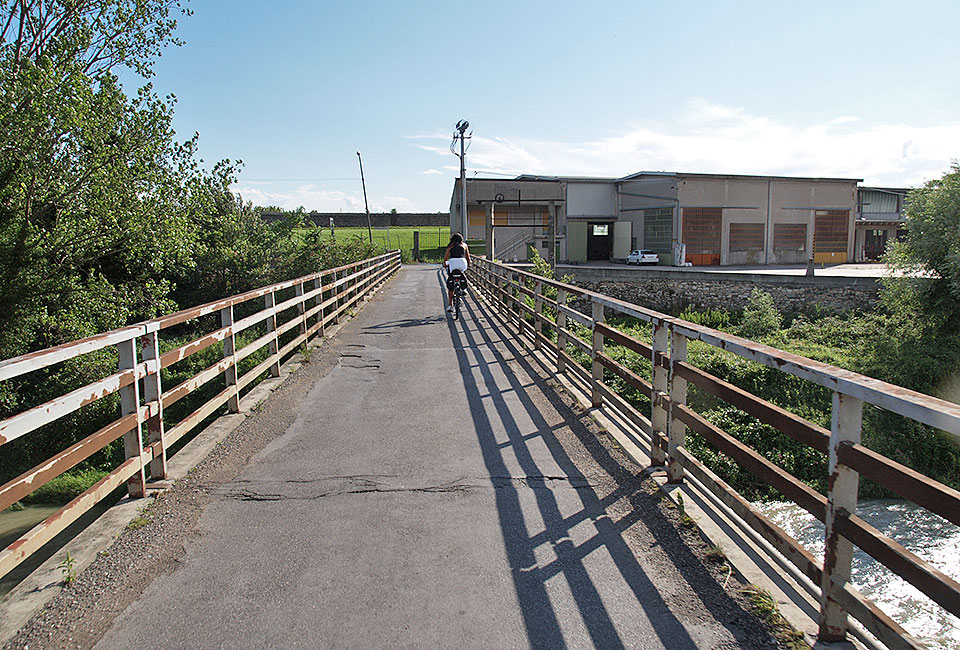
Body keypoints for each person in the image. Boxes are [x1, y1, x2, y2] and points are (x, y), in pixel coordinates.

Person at [443, 233, 470, 313]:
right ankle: (464, 288)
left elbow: (445, 258)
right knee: (462, 273)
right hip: (462, 263)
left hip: (453, 264)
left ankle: (450, 305)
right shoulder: (464, 245)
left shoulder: (450, 246)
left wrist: (445, 264)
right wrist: (468, 264)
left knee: (451, 279)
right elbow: (468, 257)